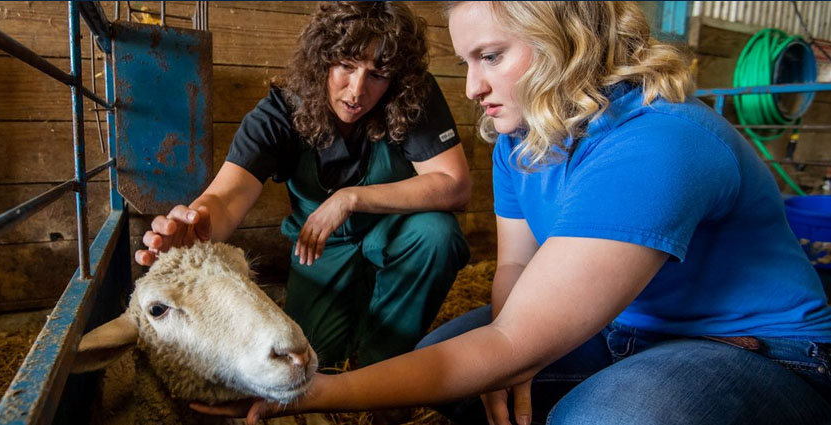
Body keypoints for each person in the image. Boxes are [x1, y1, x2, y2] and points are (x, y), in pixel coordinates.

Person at [192, 2, 831, 424]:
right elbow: (515, 276)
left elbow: (507, 338)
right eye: (469, 62)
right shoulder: (523, 144)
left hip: (753, 348)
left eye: (490, 57)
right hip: (617, 330)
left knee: (607, 415)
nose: (472, 87)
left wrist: (311, 394)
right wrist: (508, 357)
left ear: (567, 44)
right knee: (452, 362)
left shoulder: (659, 145)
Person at [134, 1, 471, 369]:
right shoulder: (278, 115)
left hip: (392, 232)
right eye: (346, 65)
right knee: (308, 362)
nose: (357, 90)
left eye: (377, 74)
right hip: (319, 246)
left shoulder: (410, 97)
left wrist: (350, 198)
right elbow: (228, 195)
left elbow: (454, 185)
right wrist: (198, 223)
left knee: (437, 233)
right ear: (322, 59)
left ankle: (383, 365)